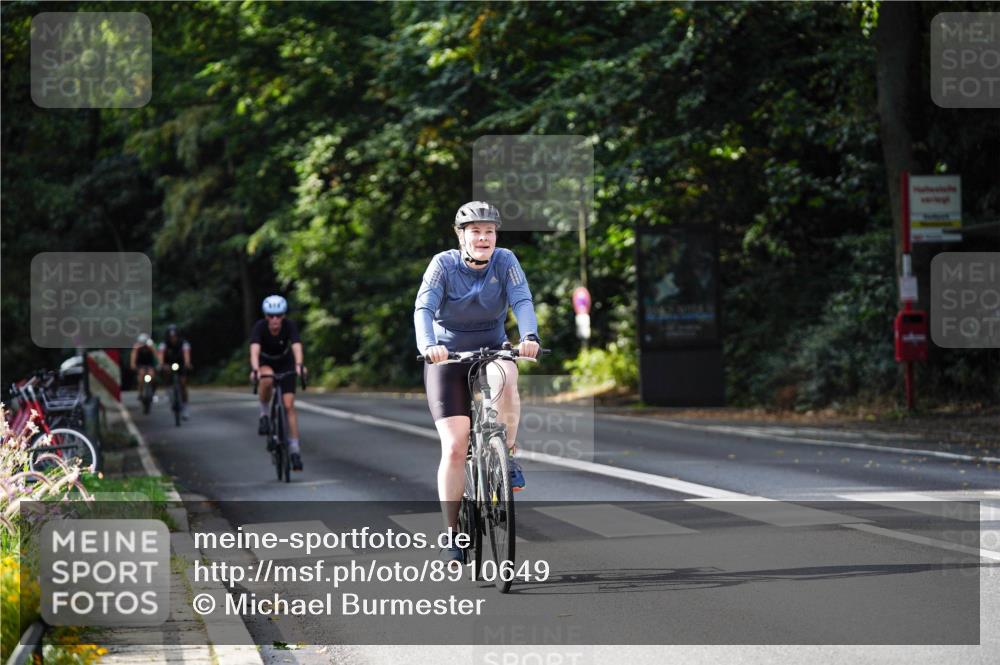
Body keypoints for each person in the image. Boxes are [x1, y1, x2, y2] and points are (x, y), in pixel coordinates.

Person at [414, 201, 540, 564]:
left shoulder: (506, 261)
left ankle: (508, 455)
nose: (483, 238)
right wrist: (429, 346)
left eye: (489, 232)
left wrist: (529, 335)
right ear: (461, 236)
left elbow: (522, 299)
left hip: (490, 348)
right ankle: (452, 533)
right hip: (447, 357)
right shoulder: (443, 265)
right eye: (475, 232)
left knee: (508, 371)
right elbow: (424, 308)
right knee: (454, 447)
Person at [249, 295, 307, 471]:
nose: (275, 320)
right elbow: (254, 350)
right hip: (266, 362)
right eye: (271, 316)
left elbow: (296, 346)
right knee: (266, 378)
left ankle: (295, 450)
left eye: (279, 315)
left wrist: (299, 366)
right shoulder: (259, 327)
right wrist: (255, 369)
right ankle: (264, 415)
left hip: (285, 362)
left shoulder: (289, 326)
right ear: (266, 316)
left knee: (289, 406)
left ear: (283, 316)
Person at [158, 324, 193, 419]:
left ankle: (185, 407)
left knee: (183, 384)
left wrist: (187, 363)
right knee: (166, 374)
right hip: (168, 364)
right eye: (171, 337)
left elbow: (186, 355)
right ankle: (169, 392)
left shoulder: (184, 344)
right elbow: (161, 355)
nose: (173, 338)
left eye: (174, 337)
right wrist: (161, 364)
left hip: (180, 364)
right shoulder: (163, 344)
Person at [130, 333, 158, 400]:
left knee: (152, 376)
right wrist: (133, 364)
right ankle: (140, 393)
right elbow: (133, 355)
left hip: (149, 364)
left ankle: (153, 391)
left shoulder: (150, 346)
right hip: (140, 364)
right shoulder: (137, 346)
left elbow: (156, 354)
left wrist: (159, 363)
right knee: (141, 377)